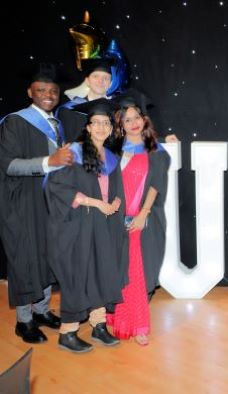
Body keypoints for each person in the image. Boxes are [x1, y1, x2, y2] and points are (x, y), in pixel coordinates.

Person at [45, 98, 128, 353]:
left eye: (106, 123)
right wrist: (95, 202)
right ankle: (67, 332)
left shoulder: (112, 157)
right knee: (79, 276)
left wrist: (114, 202)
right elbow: (56, 187)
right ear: (88, 127)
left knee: (102, 273)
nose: (102, 127)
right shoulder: (74, 153)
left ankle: (98, 325)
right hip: (78, 227)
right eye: (96, 123)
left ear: (111, 129)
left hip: (102, 227)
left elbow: (114, 192)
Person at [0, 63, 70, 344]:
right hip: (23, 203)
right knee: (26, 259)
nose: (48, 94)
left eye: (53, 90)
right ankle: (24, 321)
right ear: (30, 92)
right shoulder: (16, 122)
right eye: (41, 90)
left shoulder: (57, 124)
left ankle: (41, 311)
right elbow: (9, 165)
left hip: (48, 203)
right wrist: (47, 162)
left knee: (45, 256)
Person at [106, 92, 170, 346]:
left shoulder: (156, 151)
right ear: (120, 124)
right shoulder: (112, 152)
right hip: (115, 221)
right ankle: (117, 320)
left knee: (137, 273)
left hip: (139, 220)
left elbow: (155, 185)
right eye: (126, 119)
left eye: (136, 118)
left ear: (144, 120)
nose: (133, 123)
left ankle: (139, 325)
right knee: (118, 273)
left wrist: (143, 214)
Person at [57, 58, 179, 143]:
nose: (101, 81)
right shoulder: (71, 110)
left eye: (106, 78)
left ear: (110, 83)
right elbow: (69, 145)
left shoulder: (118, 108)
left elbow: (133, 137)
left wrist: (163, 140)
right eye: (96, 76)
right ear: (87, 81)